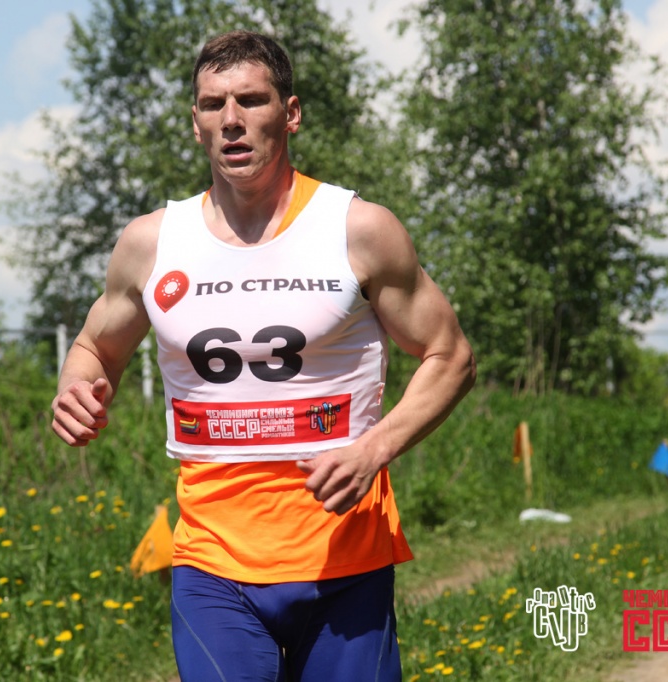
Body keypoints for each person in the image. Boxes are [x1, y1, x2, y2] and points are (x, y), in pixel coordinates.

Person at [51, 29, 476, 682]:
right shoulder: (150, 243)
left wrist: (374, 448)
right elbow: (93, 348)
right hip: (212, 564)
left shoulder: (358, 229)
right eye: (213, 104)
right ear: (195, 122)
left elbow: (450, 356)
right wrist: (76, 386)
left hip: (344, 559)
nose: (232, 120)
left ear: (291, 113)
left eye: (251, 100)